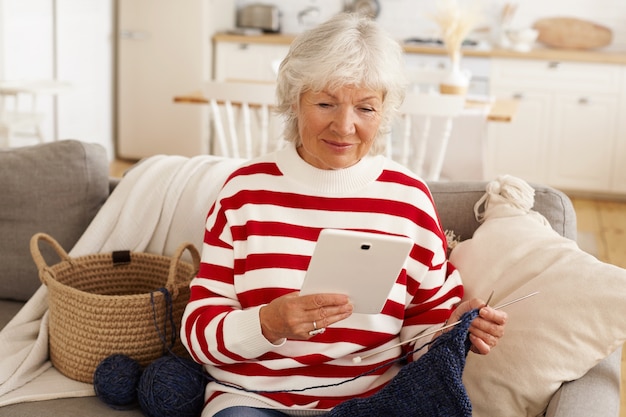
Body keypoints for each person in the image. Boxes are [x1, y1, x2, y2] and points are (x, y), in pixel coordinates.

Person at [181, 12, 507, 417]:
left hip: (375, 403)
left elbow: (423, 333)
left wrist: (455, 328)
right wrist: (267, 323)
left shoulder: (408, 199)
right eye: (325, 103)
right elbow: (196, 334)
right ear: (294, 102)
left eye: (365, 108)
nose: (345, 126)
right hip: (254, 400)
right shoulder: (244, 192)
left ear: (383, 111)